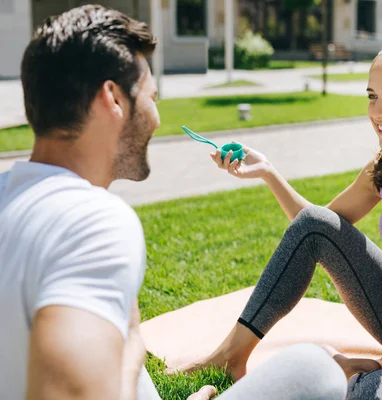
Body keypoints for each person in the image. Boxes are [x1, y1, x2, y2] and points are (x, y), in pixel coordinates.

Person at [0, 5, 347, 400]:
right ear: (113, 99)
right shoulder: (92, 221)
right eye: (152, 97)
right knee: (315, 369)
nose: (156, 117)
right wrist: (129, 342)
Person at [176, 38, 382, 400]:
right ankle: (231, 356)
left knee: (369, 396)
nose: (378, 112)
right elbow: (316, 231)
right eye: (372, 96)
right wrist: (269, 172)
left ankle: (361, 373)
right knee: (314, 224)